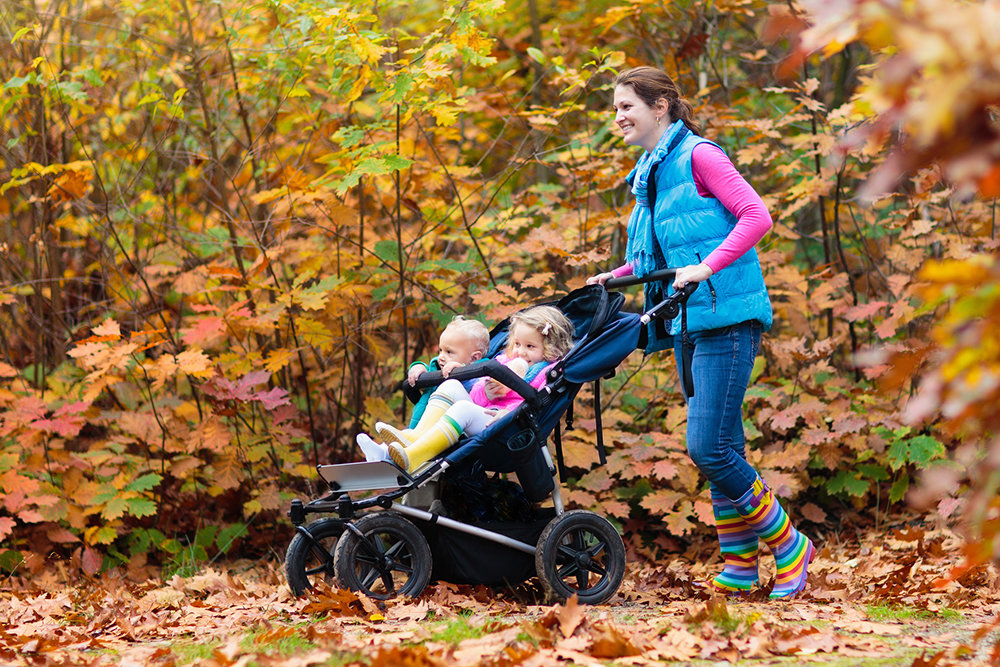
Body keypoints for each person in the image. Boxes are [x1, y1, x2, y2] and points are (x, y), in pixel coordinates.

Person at [587, 66, 814, 599]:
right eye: (615, 107)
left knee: (707, 447)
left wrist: (707, 268)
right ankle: (739, 564)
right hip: (687, 320)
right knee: (725, 444)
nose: (617, 117)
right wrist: (616, 276)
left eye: (627, 106)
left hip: (727, 318)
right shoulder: (651, 170)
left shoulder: (700, 156)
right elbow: (663, 256)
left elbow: (756, 217)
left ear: (660, 106)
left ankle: (789, 544)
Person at [358, 305, 575, 472]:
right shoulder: (503, 360)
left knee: (463, 408)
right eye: (517, 344)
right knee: (451, 384)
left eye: (530, 346)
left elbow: (533, 403)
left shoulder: (546, 372)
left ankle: (414, 458)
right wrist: (484, 389)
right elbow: (477, 395)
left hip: (506, 425)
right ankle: (397, 446)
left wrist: (507, 412)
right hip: (482, 414)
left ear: (550, 348)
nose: (520, 352)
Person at [356, 316, 489, 463]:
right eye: (440, 350)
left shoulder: (481, 375)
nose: (441, 357)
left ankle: (393, 453)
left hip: (452, 430)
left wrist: (462, 371)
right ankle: (381, 452)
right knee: (405, 436)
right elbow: (428, 375)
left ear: (474, 358)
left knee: (409, 437)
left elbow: (479, 394)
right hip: (423, 427)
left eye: (449, 352)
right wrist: (418, 367)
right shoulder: (439, 367)